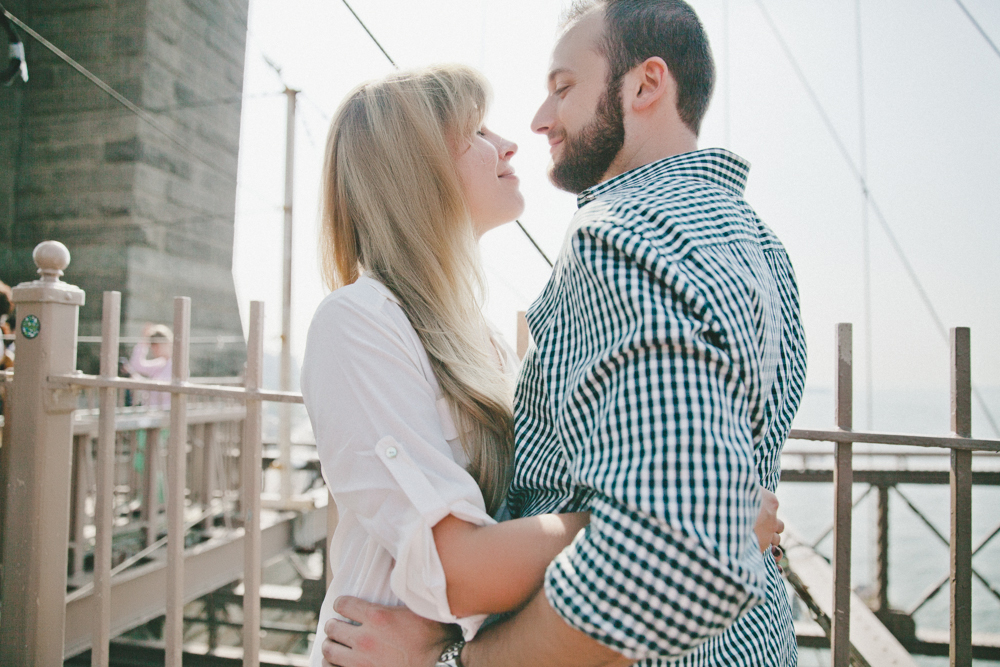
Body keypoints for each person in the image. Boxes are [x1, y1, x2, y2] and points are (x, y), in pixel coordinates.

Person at [320, 2, 806, 667]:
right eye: (476, 130)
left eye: (564, 86)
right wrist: (713, 518)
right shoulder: (761, 246)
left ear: (644, 86)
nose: (527, 129)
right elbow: (674, 531)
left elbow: (672, 540)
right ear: (413, 169)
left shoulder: (616, 242)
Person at [126, 324, 173, 408]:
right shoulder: (160, 364)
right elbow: (136, 365)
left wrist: (137, 379)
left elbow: (161, 390)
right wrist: (143, 341)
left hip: (165, 415)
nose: (153, 348)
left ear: (166, 343)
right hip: (151, 413)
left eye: (156, 344)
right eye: (152, 345)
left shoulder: (176, 367)